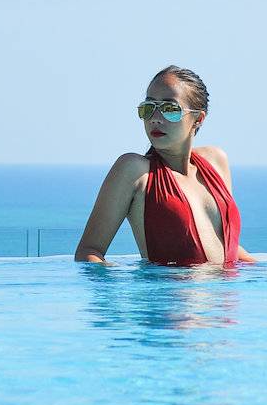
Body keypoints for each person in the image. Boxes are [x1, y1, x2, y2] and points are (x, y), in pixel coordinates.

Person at [75, 65, 255, 266]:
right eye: (148, 108)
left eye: (170, 109)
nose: (156, 119)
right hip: (166, 296)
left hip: (226, 295)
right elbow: (89, 251)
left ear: (198, 119)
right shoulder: (134, 171)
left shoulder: (215, 161)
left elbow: (224, 246)